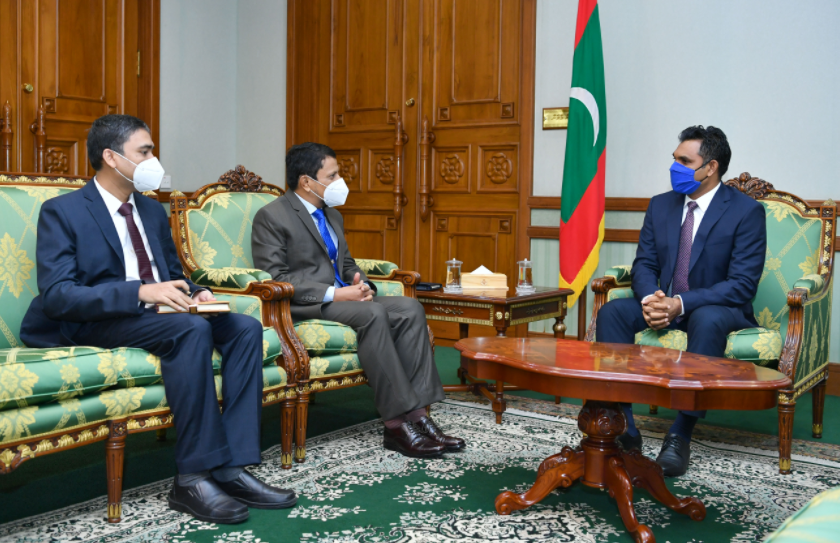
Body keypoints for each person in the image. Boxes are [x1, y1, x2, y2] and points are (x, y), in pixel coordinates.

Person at [20, 114, 296, 523]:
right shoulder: (63, 212)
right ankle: (192, 478)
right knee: (189, 329)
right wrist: (139, 292)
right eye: (145, 151)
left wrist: (192, 289)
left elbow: (170, 272)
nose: (154, 159)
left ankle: (231, 467)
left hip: (157, 314)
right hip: (93, 319)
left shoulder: (150, 211)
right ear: (112, 157)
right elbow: (60, 295)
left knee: (244, 328)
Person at [251, 142, 465, 459]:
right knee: (373, 316)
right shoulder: (272, 216)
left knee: (409, 308)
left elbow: (347, 265)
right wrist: (337, 293)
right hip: (307, 304)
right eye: (332, 175)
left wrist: (362, 285)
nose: (340, 182)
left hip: (347, 297)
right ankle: (395, 425)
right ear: (307, 181)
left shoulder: (332, 216)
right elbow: (277, 277)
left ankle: (420, 416)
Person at [595, 126, 766, 477]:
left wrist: (680, 303)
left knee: (708, 319)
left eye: (685, 161)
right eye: (674, 159)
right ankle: (624, 424)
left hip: (714, 309)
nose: (675, 167)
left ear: (711, 167)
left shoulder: (745, 212)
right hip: (665, 304)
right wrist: (650, 299)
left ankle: (680, 433)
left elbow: (742, 285)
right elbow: (645, 263)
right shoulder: (661, 205)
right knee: (612, 312)